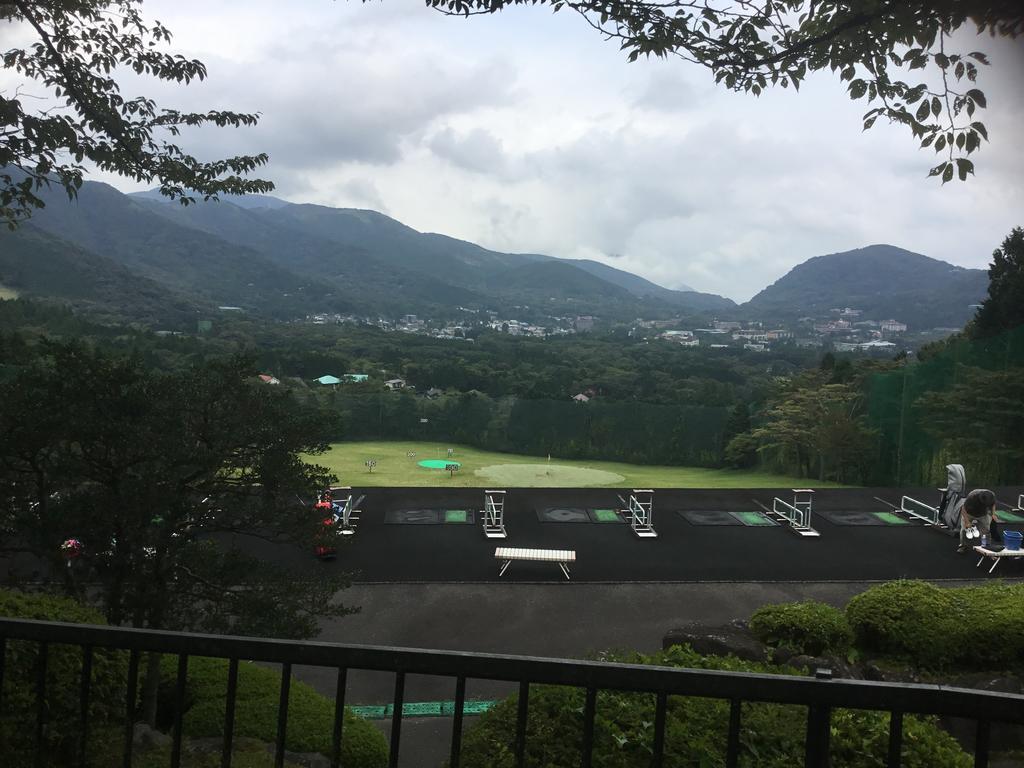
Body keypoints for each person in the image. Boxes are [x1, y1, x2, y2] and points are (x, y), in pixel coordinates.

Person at [958, 488, 999, 553]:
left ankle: (986, 546)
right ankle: (963, 546)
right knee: (964, 530)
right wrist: (967, 522)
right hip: (969, 513)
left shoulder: (991, 496)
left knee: (986, 530)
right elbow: (963, 509)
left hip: (982, 514)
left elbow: (993, 504)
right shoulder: (972, 496)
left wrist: (993, 514)